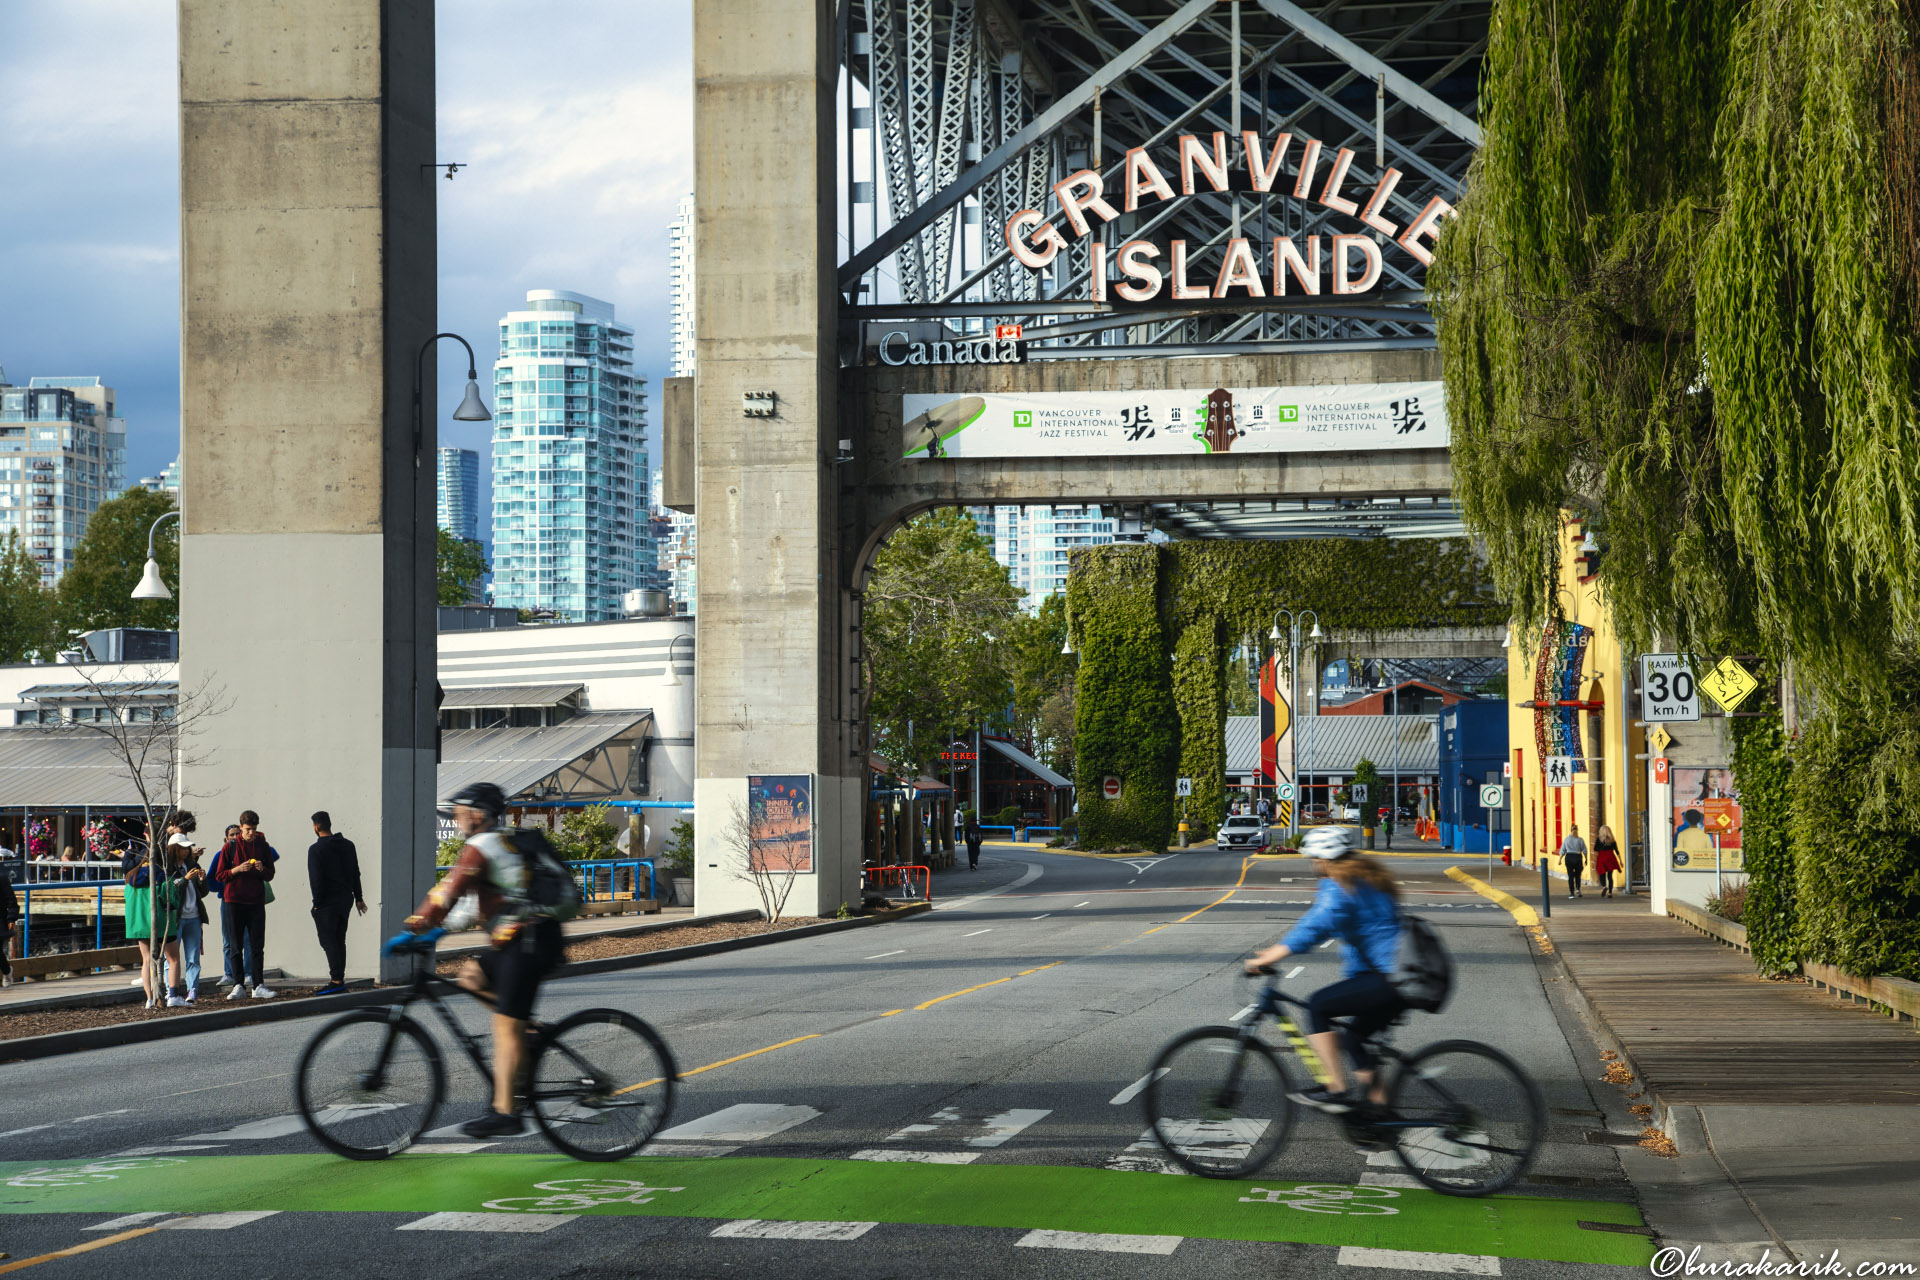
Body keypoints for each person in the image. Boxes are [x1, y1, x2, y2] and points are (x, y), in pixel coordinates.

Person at [393, 782, 565, 1139]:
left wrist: (417, 926)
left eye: (459, 811)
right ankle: (528, 1032)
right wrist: (442, 930)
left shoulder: (480, 847)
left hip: (529, 941)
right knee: (470, 976)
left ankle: (506, 1113)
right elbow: (477, 899)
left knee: (504, 1026)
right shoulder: (499, 844)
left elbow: (449, 891)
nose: (455, 817)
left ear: (477, 815)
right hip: (521, 939)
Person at [1244, 826, 1407, 1113]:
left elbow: (1318, 924)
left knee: (1319, 1005)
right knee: (1355, 1040)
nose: (1312, 863)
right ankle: (1380, 1117)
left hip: (1387, 979)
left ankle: (1336, 1089)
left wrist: (1270, 956)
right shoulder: (1367, 876)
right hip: (1398, 978)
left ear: (1323, 858)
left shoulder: (1341, 884)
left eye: (1313, 857)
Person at [212, 811, 276, 999]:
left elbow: (271, 873)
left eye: (254, 830)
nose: (251, 833)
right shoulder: (230, 847)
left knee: (257, 945)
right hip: (234, 901)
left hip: (256, 901)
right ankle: (238, 984)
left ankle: (258, 985)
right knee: (235, 945)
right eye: (248, 830)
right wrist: (237, 869)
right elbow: (219, 875)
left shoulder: (263, 846)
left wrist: (261, 869)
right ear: (241, 828)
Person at [308, 811, 366, 996]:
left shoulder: (316, 850)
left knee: (328, 941)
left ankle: (336, 981)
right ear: (329, 824)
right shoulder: (348, 845)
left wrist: (317, 903)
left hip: (326, 902)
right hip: (345, 900)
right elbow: (355, 872)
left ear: (316, 827)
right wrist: (358, 897)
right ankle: (339, 979)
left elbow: (316, 879)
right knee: (340, 939)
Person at [122, 837, 184, 1010]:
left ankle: (149, 999)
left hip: (140, 924)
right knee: (173, 959)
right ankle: (173, 995)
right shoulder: (162, 874)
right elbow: (170, 899)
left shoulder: (131, 877)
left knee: (147, 960)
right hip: (163, 923)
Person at [160, 812, 211, 1006]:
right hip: (177, 918)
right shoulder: (167, 868)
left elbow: (203, 893)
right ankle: (170, 991)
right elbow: (170, 891)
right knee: (171, 957)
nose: (186, 852)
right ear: (174, 849)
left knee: (193, 957)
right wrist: (186, 879)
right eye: (182, 849)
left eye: (187, 849)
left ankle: (193, 991)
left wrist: (201, 880)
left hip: (195, 916)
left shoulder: (192, 864)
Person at [0, 859, 19, 988]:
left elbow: (11, 900)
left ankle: (7, 971)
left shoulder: (2, 879)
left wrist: (11, 918)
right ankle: (7, 971)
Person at [1592, 825, 1622, 899]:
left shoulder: (1599, 839)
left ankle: (1604, 886)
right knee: (1610, 876)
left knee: (1602, 873)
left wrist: (1601, 847)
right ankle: (1610, 892)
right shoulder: (1612, 840)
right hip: (1610, 857)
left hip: (1602, 857)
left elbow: (1595, 849)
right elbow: (1617, 851)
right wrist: (1620, 861)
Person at [1559, 824, 1588, 899]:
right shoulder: (1580, 840)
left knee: (1570, 876)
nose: (1575, 831)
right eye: (1574, 829)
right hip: (1577, 857)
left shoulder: (1566, 839)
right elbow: (1584, 850)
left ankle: (1572, 893)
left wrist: (1560, 859)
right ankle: (1577, 888)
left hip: (1569, 857)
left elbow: (1562, 850)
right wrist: (1586, 858)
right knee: (1578, 875)